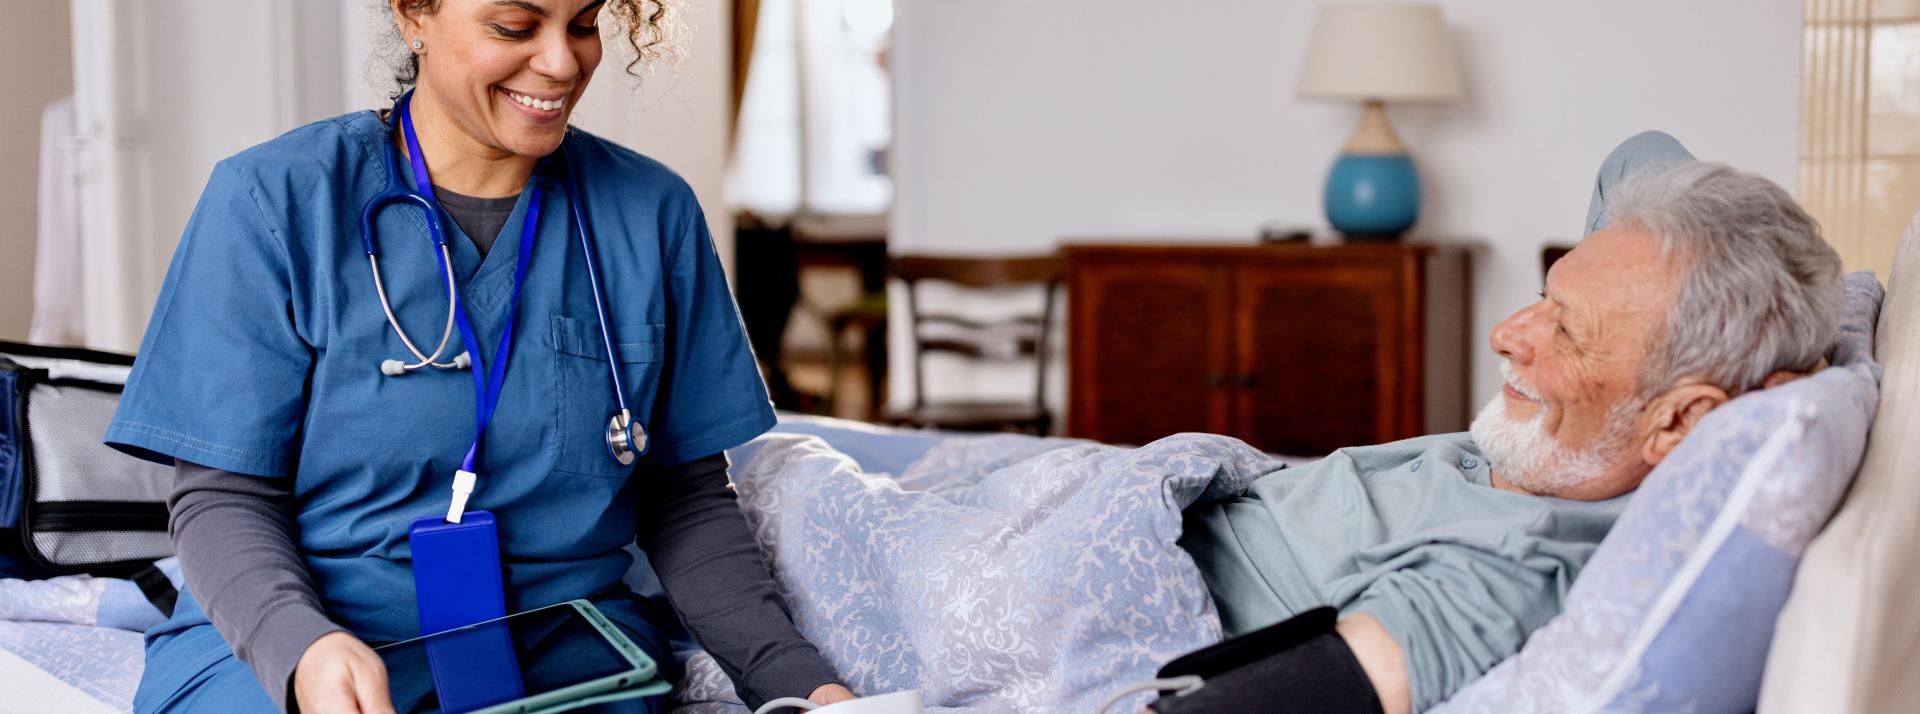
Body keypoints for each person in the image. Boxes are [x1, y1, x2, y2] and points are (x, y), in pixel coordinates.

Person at [103, 1, 855, 711]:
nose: (562, 63)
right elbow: (222, 498)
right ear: (412, 13)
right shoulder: (277, 201)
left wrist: (795, 683)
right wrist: (301, 647)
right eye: (514, 25)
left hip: (563, 653)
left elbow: (684, 498)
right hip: (304, 641)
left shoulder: (650, 212)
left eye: (585, 23)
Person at [1155, 131, 1844, 713]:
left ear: (1683, 418)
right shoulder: (1598, 433)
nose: (1505, 333)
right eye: (1543, 294)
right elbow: (1643, 152)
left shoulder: (1519, 566)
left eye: (1566, 331)